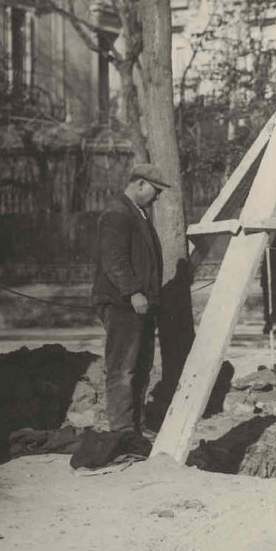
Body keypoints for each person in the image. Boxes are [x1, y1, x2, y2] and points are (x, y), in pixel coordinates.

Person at [92, 163, 169, 435]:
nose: (157, 197)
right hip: (123, 304)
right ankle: (123, 430)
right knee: (123, 368)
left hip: (141, 304)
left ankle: (137, 425)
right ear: (140, 184)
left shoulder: (137, 213)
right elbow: (114, 259)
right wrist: (134, 291)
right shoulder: (117, 213)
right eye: (156, 191)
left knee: (141, 366)